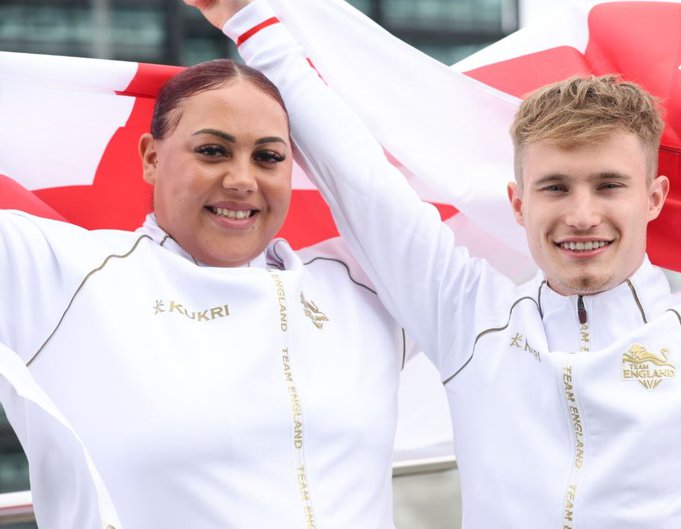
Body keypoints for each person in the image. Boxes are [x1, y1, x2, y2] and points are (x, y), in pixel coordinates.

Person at [192, 1, 681, 527]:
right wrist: (248, 18)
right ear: (518, 201)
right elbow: (361, 180)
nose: (582, 215)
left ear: (654, 198)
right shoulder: (470, 317)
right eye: (556, 188)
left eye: (609, 185)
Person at [0, 58, 412, 529]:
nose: (241, 180)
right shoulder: (60, 275)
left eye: (269, 157)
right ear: (151, 159)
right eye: (214, 151)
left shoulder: (365, 291)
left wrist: (265, 32)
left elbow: (475, 193)